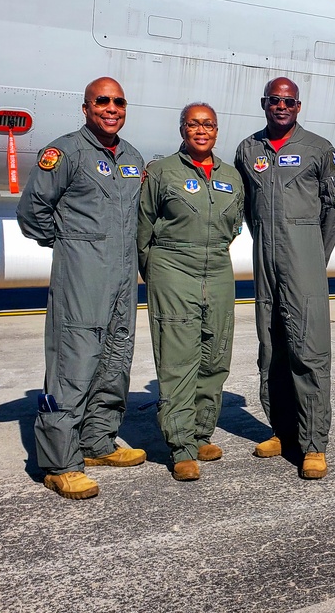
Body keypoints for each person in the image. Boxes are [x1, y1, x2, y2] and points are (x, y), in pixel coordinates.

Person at [17, 77, 147, 500]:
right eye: (102, 101)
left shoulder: (131, 156)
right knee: (74, 360)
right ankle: (59, 462)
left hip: (124, 276)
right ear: (87, 107)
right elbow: (32, 211)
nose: (111, 108)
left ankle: (97, 442)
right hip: (82, 273)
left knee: (115, 356)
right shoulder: (67, 152)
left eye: (119, 102)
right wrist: (72, 244)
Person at [234, 77, 335, 480]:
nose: (281, 106)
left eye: (288, 101)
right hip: (265, 258)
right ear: (264, 103)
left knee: (309, 351)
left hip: (304, 258)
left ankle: (313, 443)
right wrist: (268, 238)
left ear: (298, 107)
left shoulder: (318, 149)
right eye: (274, 100)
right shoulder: (249, 149)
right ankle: (282, 431)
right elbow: (247, 205)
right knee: (273, 347)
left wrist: (314, 253)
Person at [138, 103, 244, 481]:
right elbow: (144, 227)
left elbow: (235, 227)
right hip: (173, 267)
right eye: (194, 124)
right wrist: (157, 269)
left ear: (217, 130)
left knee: (215, 354)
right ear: (182, 128)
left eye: (209, 124)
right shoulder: (162, 171)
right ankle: (181, 446)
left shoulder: (231, 176)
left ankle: (201, 434)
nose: (202, 130)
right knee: (178, 357)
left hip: (216, 267)